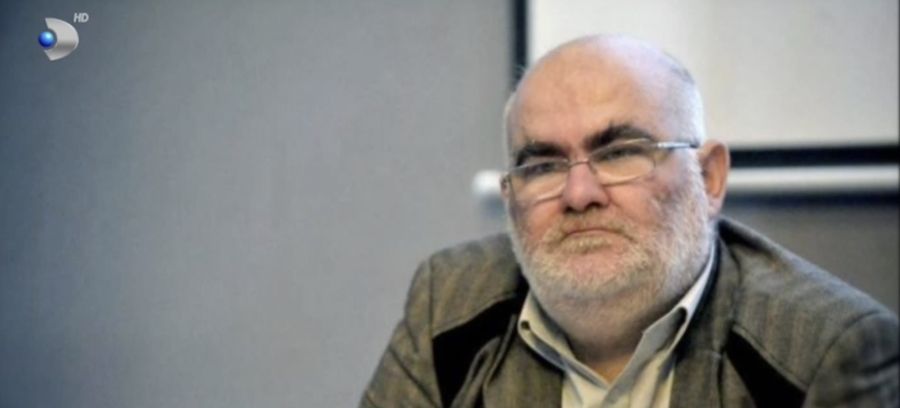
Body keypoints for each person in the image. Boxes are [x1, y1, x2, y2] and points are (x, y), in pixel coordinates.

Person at [359, 34, 899, 407]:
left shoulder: (827, 350)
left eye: (619, 154)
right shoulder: (448, 303)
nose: (579, 194)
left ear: (709, 178)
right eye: (543, 165)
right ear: (510, 197)